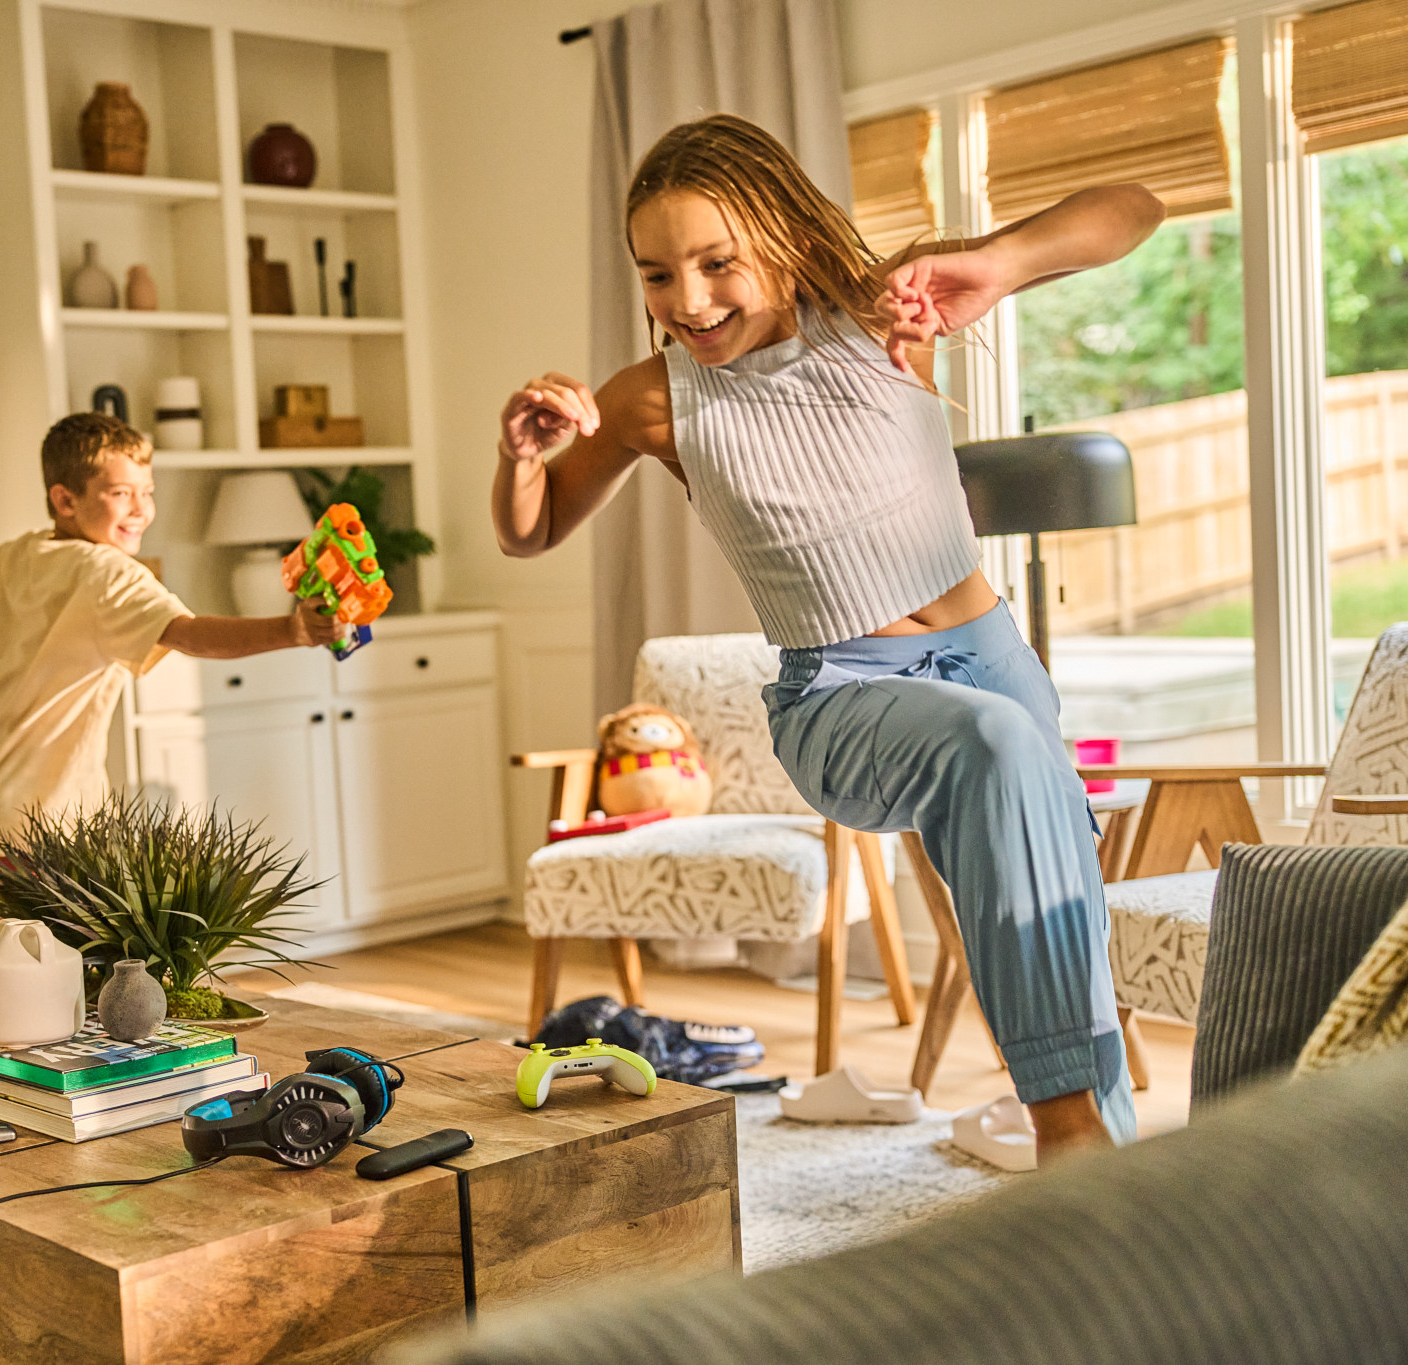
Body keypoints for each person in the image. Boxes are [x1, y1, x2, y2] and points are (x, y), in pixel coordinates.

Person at [491, 114, 1165, 1160]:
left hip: (990, 657)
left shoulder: (878, 313)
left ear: (783, 240)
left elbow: (1132, 210)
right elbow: (528, 534)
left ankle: (1103, 1205)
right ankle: (1069, 1135)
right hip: (840, 694)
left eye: (716, 263)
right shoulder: (657, 401)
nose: (689, 301)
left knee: (1056, 907)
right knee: (993, 747)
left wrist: (992, 262)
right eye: (657, 275)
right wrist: (523, 458)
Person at [0, 411, 342, 846]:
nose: (140, 510)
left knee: (23, 953)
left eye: (147, 493)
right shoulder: (109, 573)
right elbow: (190, 635)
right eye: (120, 494)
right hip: (56, 823)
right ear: (65, 500)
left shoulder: (16, 556)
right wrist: (292, 630)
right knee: (82, 953)